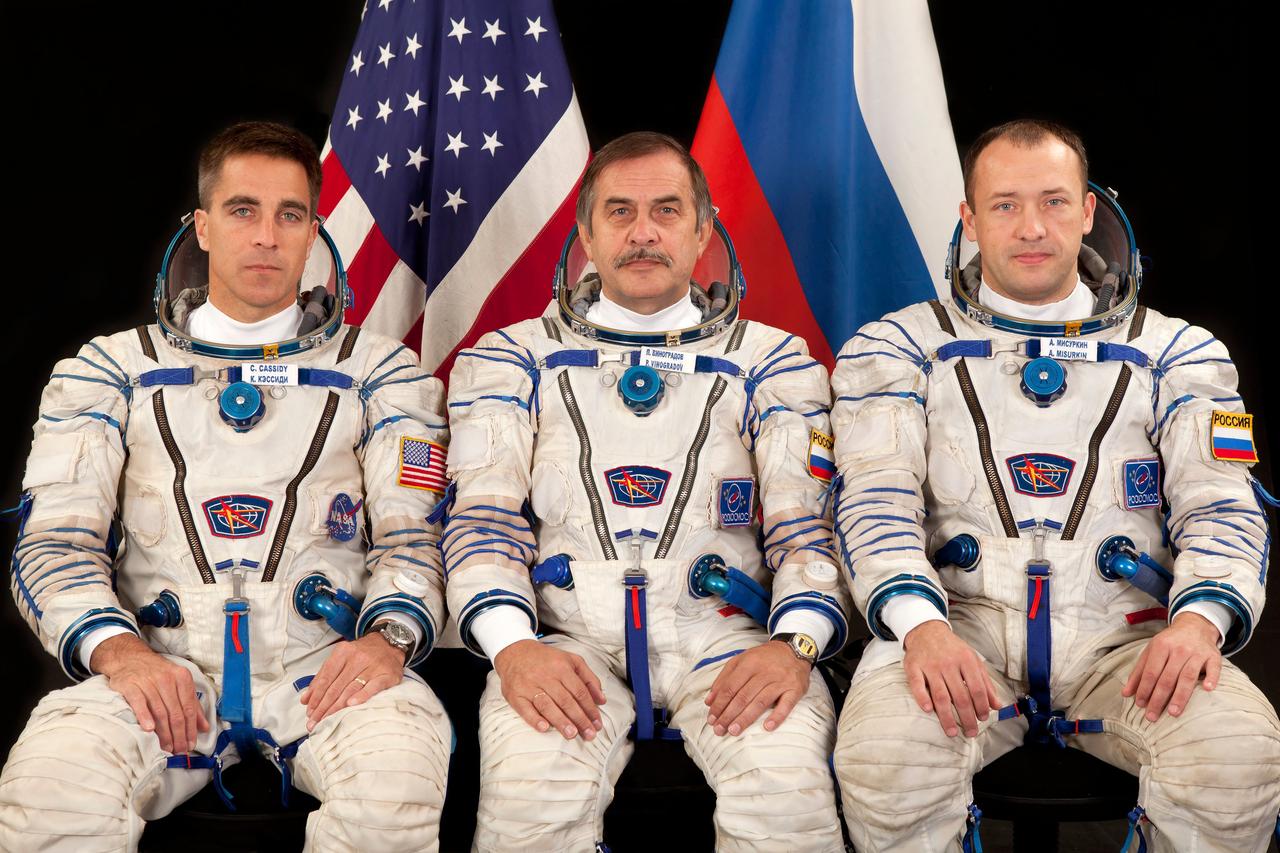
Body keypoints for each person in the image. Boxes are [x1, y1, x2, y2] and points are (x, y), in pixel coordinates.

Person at [830, 119, 1280, 852]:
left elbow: (1221, 505)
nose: (1032, 226)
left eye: (1054, 201)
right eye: (1004, 205)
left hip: (1126, 644)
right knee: (887, 755)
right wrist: (921, 625)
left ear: (1089, 211)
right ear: (969, 218)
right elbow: (876, 501)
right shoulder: (900, 348)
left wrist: (1199, 621)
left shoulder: (1177, 353)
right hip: (957, 633)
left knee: (1236, 754)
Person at [0, 121, 452, 851]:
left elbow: (417, 537)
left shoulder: (382, 374)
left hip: (326, 669)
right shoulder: (108, 371)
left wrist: (386, 638)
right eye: (244, 210)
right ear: (204, 228)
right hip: (161, 665)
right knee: (52, 782)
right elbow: (55, 542)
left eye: (290, 214)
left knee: (395, 784)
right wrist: (122, 653)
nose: (267, 236)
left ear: (313, 234)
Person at [443, 131, 851, 852]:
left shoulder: (771, 360)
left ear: (702, 231)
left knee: (788, 802)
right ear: (586, 236)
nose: (643, 233)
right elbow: (483, 523)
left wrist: (795, 643)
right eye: (620, 213)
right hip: (565, 646)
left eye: (666, 211)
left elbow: (808, 532)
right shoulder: (511, 359)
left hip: (728, 641)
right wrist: (514, 648)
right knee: (527, 811)